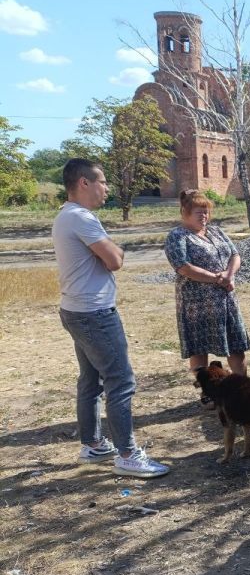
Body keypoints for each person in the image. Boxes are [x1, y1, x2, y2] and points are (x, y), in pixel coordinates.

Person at [54, 158, 170, 477]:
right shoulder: (81, 218)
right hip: (95, 313)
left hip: (76, 310)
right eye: (102, 181)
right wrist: (115, 253)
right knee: (120, 381)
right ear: (84, 183)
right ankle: (128, 454)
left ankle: (93, 444)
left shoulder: (66, 216)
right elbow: (115, 260)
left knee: (90, 380)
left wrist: (109, 254)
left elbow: (107, 258)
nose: (107, 188)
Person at [165, 189, 250, 404]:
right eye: (198, 212)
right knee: (199, 348)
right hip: (197, 304)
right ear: (185, 212)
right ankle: (208, 393)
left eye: (206, 212)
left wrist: (229, 275)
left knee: (235, 345)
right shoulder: (177, 236)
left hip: (226, 300)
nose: (204, 216)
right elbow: (183, 267)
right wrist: (217, 278)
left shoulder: (216, 232)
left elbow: (234, 254)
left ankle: (243, 391)